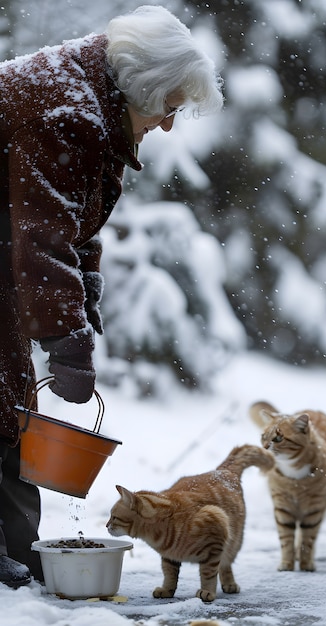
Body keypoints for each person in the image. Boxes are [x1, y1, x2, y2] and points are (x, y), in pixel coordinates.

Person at [0, 4, 223, 587]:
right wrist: (68, 347)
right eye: (168, 108)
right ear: (142, 86)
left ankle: (18, 562)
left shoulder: (90, 96)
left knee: (7, 399)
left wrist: (86, 293)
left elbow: (73, 224)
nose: (169, 125)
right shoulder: (66, 110)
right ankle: (10, 564)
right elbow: (44, 240)